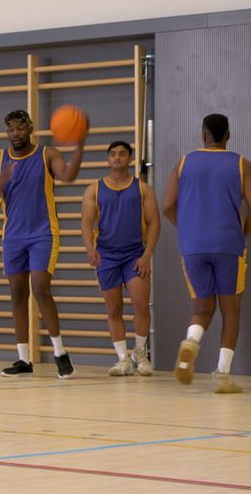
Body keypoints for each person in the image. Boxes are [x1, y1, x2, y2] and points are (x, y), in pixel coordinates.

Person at [0, 109, 86, 379]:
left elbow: (67, 176)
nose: (15, 134)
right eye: (10, 129)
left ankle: (60, 353)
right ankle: (23, 359)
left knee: (41, 288)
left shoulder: (47, 154)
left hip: (43, 232)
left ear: (30, 128)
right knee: (18, 294)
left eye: (20, 128)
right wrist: (3, 179)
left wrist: (80, 146)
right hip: (13, 236)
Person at [162, 113, 251, 393]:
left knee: (203, 307)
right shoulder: (241, 164)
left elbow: (168, 205)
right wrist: (244, 232)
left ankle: (191, 342)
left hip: (193, 244)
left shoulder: (183, 163)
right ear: (228, 135)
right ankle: (223, 376)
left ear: (203, 134)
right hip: (228, 244)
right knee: (231, 311)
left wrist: (188, 228)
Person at [80, 141, 159, 376]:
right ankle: (123, 359)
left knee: (141, 305)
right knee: (113, 308)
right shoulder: (93, 189)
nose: (117, 158)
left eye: (122, 154)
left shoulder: (143, 189)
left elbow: (154, 223)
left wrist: (147, 255)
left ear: (130, 159)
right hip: (107, 255)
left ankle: (141, 354)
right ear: (108, 159)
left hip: (135, 254)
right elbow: (86, 221)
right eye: (113, 154)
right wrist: (89, 249)